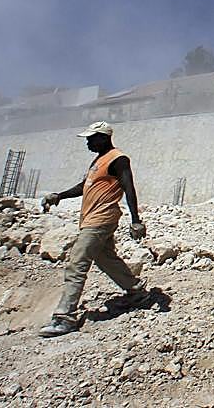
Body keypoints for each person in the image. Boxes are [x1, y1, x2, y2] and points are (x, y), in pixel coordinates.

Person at [38, 121, 149, 337]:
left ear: (103, 137)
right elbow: (84, 186)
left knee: (77, 262)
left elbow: (129, 187)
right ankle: (135, 290)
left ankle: (65, 317)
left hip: (101, 219)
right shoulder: (99, 161)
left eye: (91, 138)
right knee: (104, 257)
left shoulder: (118, 159)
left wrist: (136, 219)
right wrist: (59, 196)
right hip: (91, 218)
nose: (88, 142)